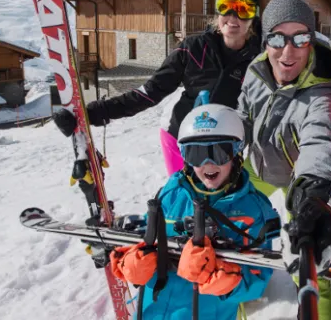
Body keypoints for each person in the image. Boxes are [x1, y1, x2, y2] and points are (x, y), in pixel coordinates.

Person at [53, 0, 263, 176]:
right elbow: (149, 93)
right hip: (182, 136)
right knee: (185, 201)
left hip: (227, 143)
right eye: (225, 6)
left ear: (254, 17)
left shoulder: (261, 58)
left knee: (224, 205)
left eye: (244, 9)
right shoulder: (193, 49)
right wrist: (93, 114)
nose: (233, 17)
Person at [108, 103, 280, 320]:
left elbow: (258, 278)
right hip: (151, 312)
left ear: (237, 153)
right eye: (196, 153)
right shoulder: (172, 193)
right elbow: (144, 232)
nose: (207, 164)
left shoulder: (252, 209)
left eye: (218, 152)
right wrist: (130, 260)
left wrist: (217, 275)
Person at [236, 0, 331, 319]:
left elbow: (321, 140)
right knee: (232, 234)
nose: (288, 51)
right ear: (265, 40)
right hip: (255, 167)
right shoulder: (256, 71)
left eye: (300, 38)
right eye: (277, 38)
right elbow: (243, 114)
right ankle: (239, 304)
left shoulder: (322, 92)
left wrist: (314, 192)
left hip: (297, 179)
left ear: (311, 42)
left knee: (308, 254)